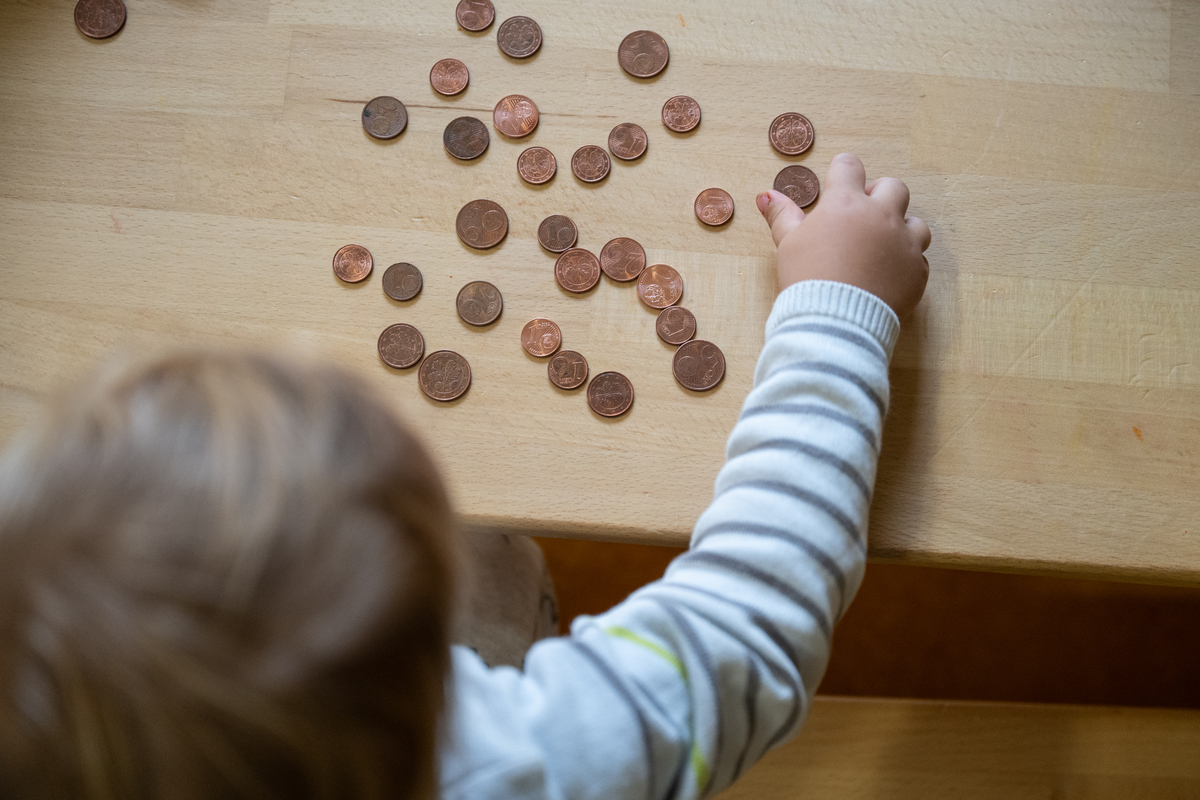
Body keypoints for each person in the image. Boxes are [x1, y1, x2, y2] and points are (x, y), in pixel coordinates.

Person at [0, 153, 929, 799]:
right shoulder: (511, 766)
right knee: (500, 573)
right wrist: (836, 317)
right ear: (407, 707)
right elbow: (743, 630)